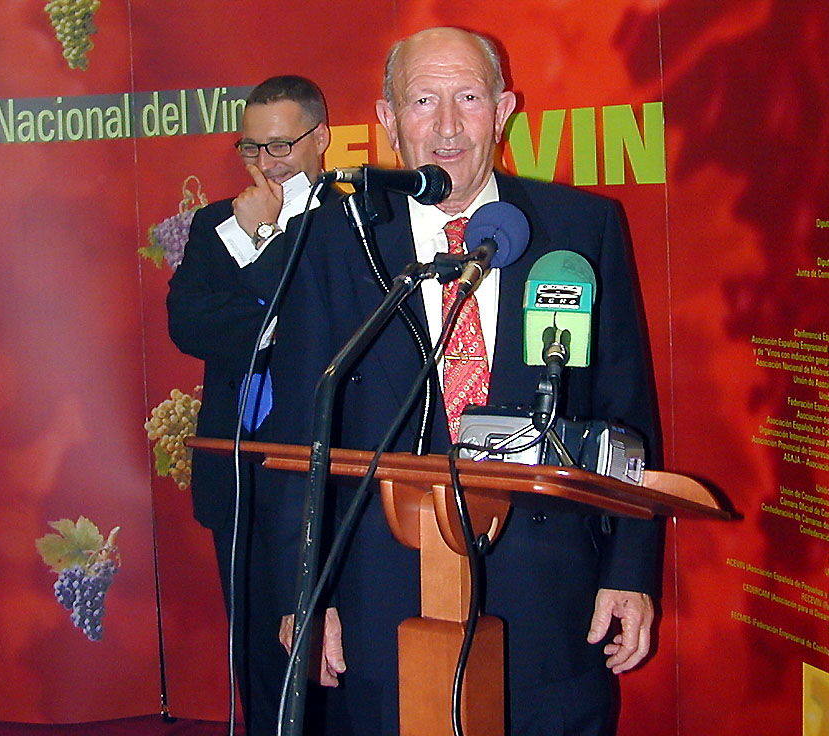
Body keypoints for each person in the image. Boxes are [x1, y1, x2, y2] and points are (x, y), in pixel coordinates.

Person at [262, 27, 663, 735]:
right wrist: (306, 594)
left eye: (469, 98)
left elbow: (626, 412)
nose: (447, 127)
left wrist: (630, 570)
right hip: (379, 595)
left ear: (503, 110)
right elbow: (300, 427)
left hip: (549, 591)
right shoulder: (329, 240)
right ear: (387, 119)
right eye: (423, 100)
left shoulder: (581, 228)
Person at [166, 74, 332, 736]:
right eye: (252, 148)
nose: (267, 164)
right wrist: (274, 326)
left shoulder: (352, 223)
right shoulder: (213, 223)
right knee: (260, 659)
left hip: (324, 480)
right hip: (237, 477)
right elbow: (188, 321)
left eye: (282, 146)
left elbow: (321, 329)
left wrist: (255, 248)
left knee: (331, 652)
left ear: (320, 138)